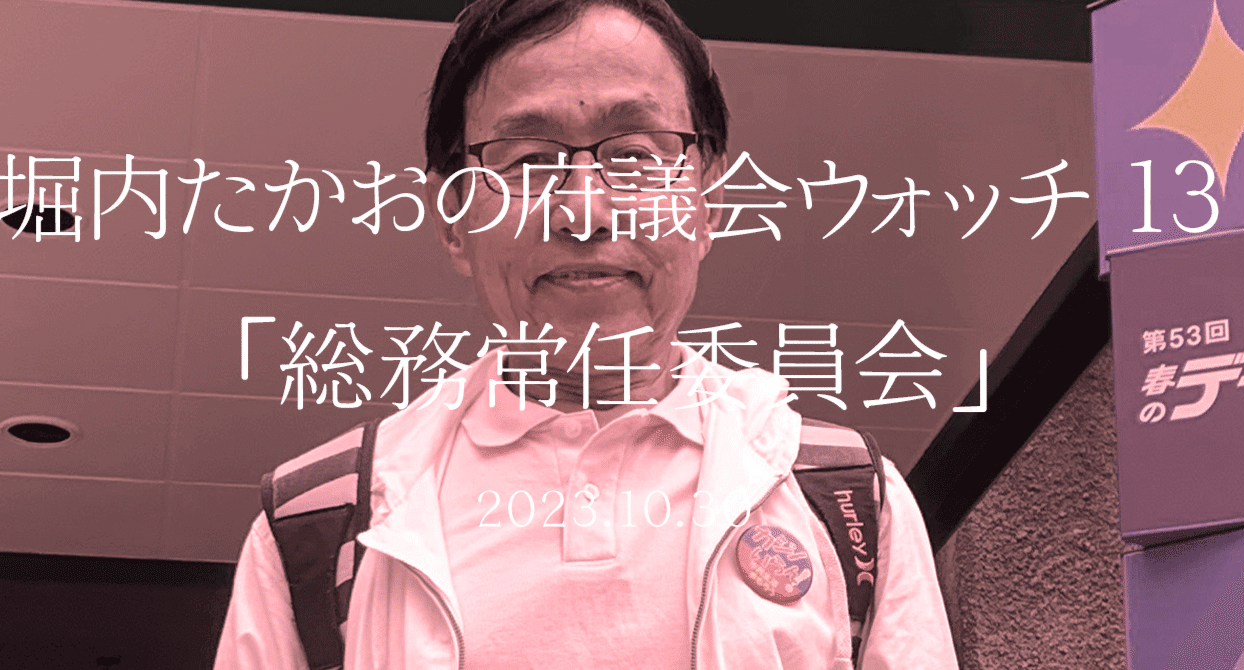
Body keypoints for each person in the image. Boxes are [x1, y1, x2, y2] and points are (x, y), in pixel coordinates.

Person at [215, 0, 959, 668]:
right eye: (528, 161)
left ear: (708, 201)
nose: (585, 212)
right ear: (452, 218)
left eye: (634, 154)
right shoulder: (319, 526)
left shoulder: (848, 501)